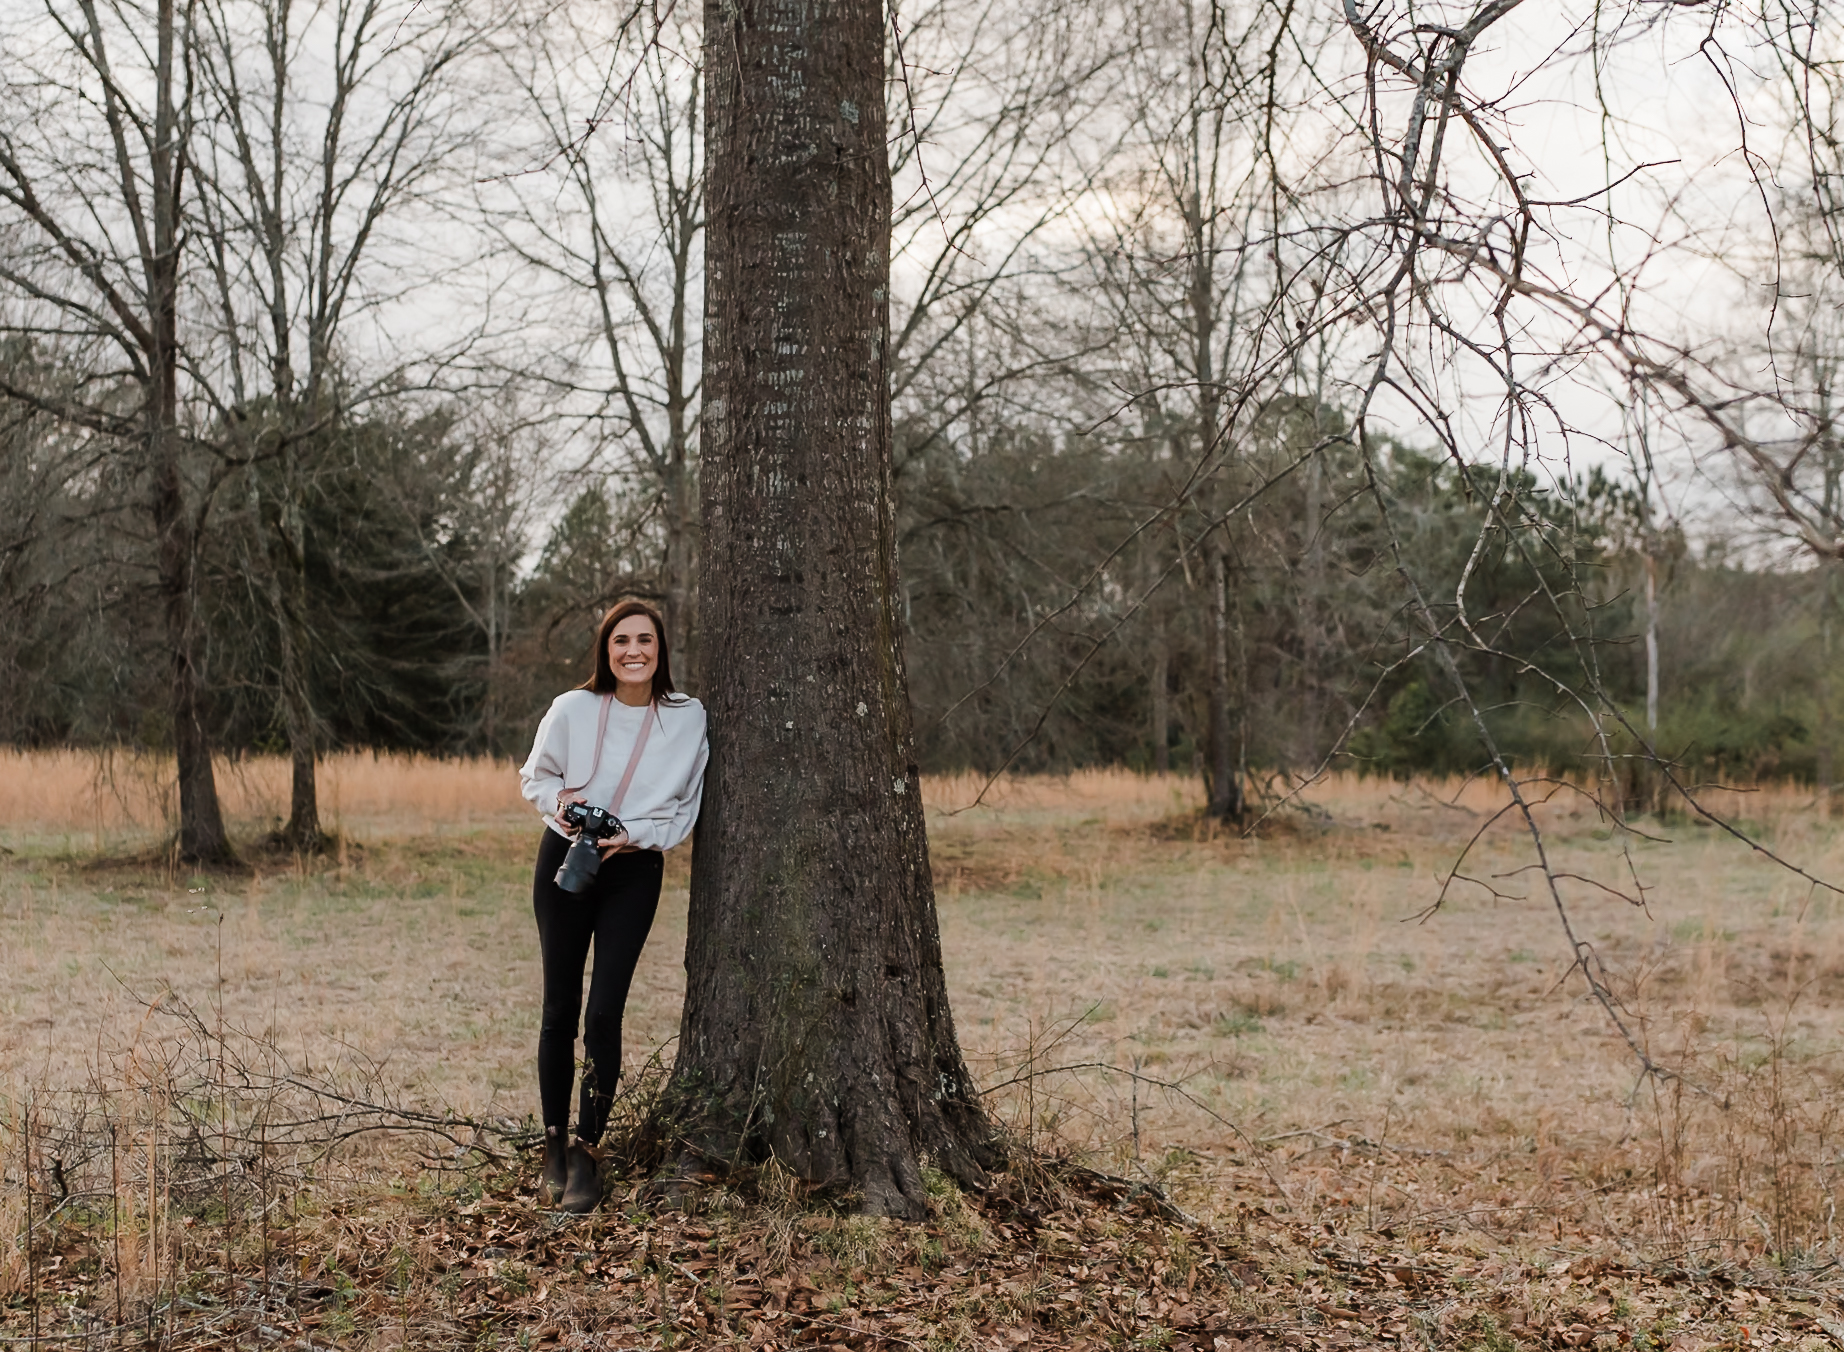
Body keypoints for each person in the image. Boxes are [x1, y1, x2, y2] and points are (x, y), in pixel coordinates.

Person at [518, 599, 708, 1212]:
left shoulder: (687, 718)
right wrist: (567, 806)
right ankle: (551, 1141)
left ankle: (586, 1151)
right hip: (566, 860)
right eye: (620, 640)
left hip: (634, 871)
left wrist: (634, 836)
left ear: (661, 649)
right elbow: (535, 780)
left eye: (645, 640)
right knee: (559, 1005)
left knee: (604, 1013)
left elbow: (684, 810)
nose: (633, 651)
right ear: (605, 649)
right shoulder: (572, 708)